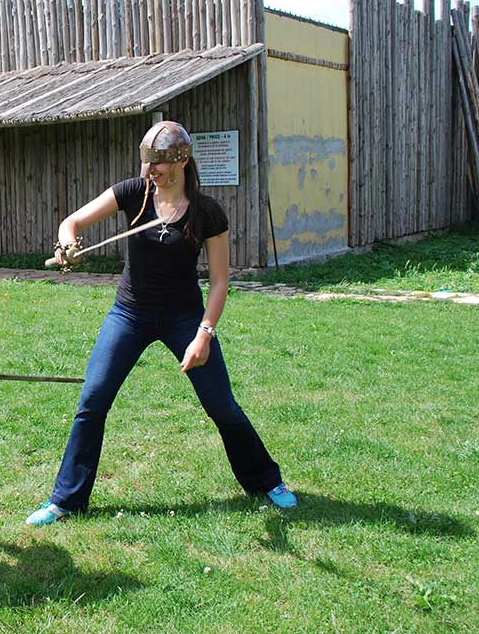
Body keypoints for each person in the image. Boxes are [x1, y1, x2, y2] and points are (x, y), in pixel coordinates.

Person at [27, 120, 297, 526]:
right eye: (147, 162)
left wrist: (204, 335)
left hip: (184, 318)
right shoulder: (133, 193)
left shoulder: (206, 213)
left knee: (221, 406)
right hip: (129, 313)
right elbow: (72, 222)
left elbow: (220, 282)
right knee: (92, 400)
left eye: (159, 163)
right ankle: (66, 500)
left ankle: (267, 481)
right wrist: (68, 244)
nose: (151, 171)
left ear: (183, 160)